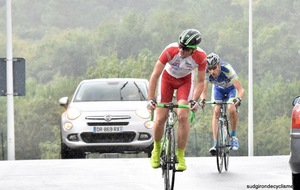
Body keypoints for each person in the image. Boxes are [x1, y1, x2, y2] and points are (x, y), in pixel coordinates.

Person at [147, 29, 207, 171]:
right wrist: (150, 99)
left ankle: (180, 155)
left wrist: (194, 100)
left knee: (182, 116)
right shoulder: (170, 50)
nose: (181, 50)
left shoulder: (201, 57)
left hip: (185, 82)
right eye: (180, 45)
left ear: (193, 50)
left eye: (185, 49)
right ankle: (156, 149)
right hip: (167, 79)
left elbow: (201, 82)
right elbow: (155, 75)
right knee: (160, 118)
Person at [200, 53, 245, 155]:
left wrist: (238, 98)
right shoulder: (206, 72)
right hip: (218, 90)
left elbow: (241, 90)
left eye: (214, 68)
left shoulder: (227, 69)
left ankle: (233, 136)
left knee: (231, 108)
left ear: (219, 65)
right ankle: (215, 143)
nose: (212, 71)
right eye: (210, 68)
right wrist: (202, 99)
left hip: (231, 89)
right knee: (216, 111)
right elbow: (204, 90)